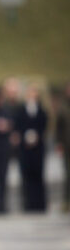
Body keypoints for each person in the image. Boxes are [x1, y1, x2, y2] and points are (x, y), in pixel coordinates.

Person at [14, 84, 48, 212]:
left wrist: (36, 136)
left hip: (38, 148)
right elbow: (18, 126)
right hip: (25, 149)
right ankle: (28, 204)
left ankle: (40, 204)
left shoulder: (41, 111)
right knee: (26, 177)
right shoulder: (21, 110)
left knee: (38, 176)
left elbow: (44, 125)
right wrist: (24, 137)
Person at [56, 82, 70, 212]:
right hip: (67, 146)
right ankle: (66, 202)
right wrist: (59, 144)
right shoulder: (63, 108)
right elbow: (58, 128)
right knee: (67, 174)